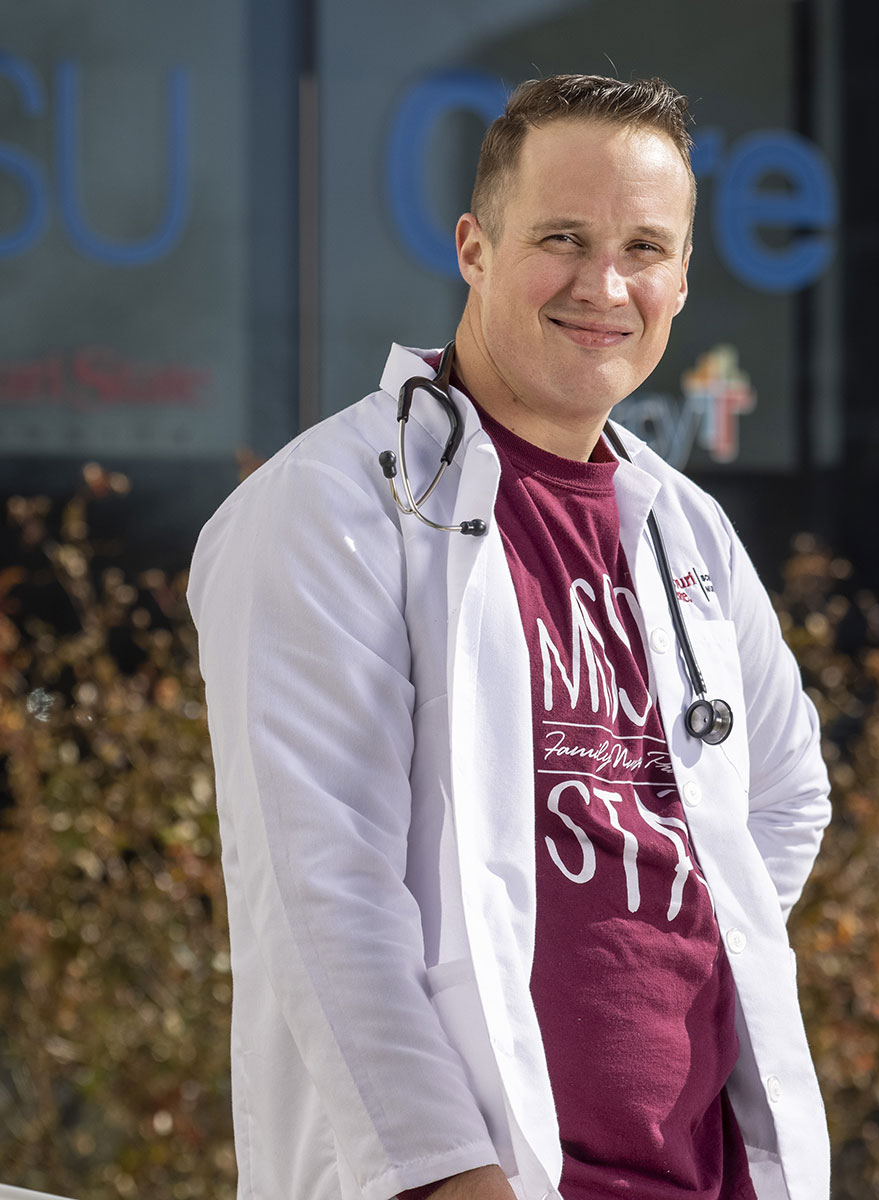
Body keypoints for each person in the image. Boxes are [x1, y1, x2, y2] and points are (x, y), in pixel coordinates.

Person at [188, 74, 831, 1200]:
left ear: (683, 277)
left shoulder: (689, 532)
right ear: (475, 248)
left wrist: (676, 950)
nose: (605, 284)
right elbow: (321, 893)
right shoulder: (329, 510)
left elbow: (782, 797)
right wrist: (450, 1177)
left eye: (644, 247)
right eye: (563, 238)